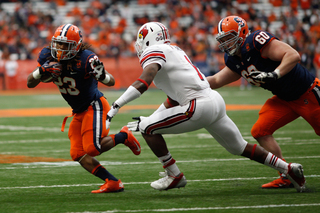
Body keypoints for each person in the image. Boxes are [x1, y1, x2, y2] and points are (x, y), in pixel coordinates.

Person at [105, 21, 306, 192]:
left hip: (198, 106)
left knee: (147, 128)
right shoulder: (174, 50)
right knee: (239, 147)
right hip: (213, 101)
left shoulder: (154, 51)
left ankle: (174, 175)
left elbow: (144, 80)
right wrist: (154, 117)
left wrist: (117, 104)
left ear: (147, 38)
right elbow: (173, 99)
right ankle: (288, 168)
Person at [207, 15, 320, 189]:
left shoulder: (255, 42)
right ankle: (287, 174)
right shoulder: (234, 59)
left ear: (242, 33)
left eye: (229, 38)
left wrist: (275, 74)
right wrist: (189, 84)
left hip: (307, 93)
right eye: (223, 40)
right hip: (283, 99)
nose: (226, 43)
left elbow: (293, 55)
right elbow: (215, 81)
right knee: (260, 131)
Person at [26, 24, 141, 193]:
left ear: (76, 46)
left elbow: (111, 81)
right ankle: (113, 182)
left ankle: (124, 136)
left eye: (65, 45)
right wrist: (41, 71)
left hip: (94, 105)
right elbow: (30, 83)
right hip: (78, 110)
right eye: (57, 43)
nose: (59, 48)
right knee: (77, 153)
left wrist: (101, 75)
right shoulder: (47, 55)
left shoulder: (87, 58)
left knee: (92, 149)